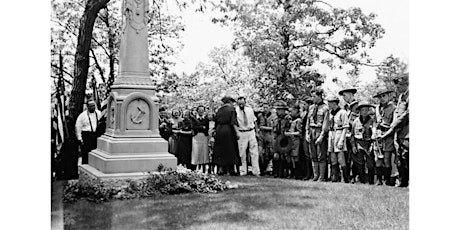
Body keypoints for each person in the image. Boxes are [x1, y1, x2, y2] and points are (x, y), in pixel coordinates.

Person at [380, 74, 409, 187]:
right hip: (399, 133)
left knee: (408, 157)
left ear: (407, 84)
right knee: (401, 157)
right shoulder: (401, 97)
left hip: (407, 132)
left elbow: (407, 114)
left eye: (399, 86)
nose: (397, 88)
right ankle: (403, 181)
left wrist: (394, 125)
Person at [373, 89, 397, 186]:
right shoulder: (377, 108)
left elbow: (394, 125)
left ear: (389, 96)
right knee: (378, 158)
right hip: (378, 134)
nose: (382, 99)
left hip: (388, 134)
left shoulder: (394, 108)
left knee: (387, 158)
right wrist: (374, 133)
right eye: (380, 97)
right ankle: (379, 180)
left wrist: (384, 136)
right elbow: (374, 122)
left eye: (384, 96)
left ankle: (387, 180)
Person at [212, 96, 241, 175]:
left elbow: (216, 122)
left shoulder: (219, 110)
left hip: (219, 130)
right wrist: (237, 132)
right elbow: (233, 122)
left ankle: (220, 169)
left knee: (220, 149)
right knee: (230, 149)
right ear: (230, 102)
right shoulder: (232, 110)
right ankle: (231, 170)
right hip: (228, 130)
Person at [306, 88, 330, 181]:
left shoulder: (325, 108)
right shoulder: (311, 107)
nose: (313, 99)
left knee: (321, 155)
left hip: (320, 131)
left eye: (314, 96)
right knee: (313, 154)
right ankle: (315, 175)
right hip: (311, 130)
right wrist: (307, 133)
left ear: (320, 96)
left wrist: (322, 136)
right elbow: (308, 120)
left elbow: (325, 122)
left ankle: (321, 176)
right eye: (312, 96)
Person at [351, 102, 377, 184]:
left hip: (369, 143)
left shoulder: (372, 121)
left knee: (370, 164)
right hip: (359, 143)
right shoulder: (355, 121)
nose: (365, 112)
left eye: (366, 110)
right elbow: (352, 135)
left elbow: (374, 133)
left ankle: (371, 180)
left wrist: (372, 145)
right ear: (359, 111)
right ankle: (362, 180)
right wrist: (353, 146)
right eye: (362, 110)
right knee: (360, 163)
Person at [326, 95, 349, 183]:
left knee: (340, 157)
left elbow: (345, 127)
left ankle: (345, 178)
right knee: (333, 157)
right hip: (331, 134)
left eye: (330, 103)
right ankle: (335, 178)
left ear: (334, 103)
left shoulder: (342, 112)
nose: (328, 104)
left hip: (339, 134)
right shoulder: (331, 113)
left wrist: (342, 140)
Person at [235, 96, 260, 177]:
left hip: (251, 131)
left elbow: (254, 121)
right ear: (237, 103)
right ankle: (243, 171)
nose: (241, 105)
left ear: (245, 103)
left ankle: (256, 171)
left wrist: (256, 132)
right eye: (239, 104)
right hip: (242, 132)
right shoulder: (235, 111)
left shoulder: (250, 110)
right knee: (242, 152)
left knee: (254, 152)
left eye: (242, 103)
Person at [339, 88, 358, 183]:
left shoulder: (357, 107)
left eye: (345, 95)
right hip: (345, 135)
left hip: (354, 135)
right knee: (346, 158)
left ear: (351, 95)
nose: (343, 97)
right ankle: (346, 178)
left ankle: (355, 177)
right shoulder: (345, 108)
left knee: (354, 158)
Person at [75, 99, 102, 164]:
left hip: (96, 135)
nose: (93, 107)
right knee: (86, 153)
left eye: (93, 106)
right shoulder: (82, 116)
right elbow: (78, 127)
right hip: (87, 136)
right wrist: (79, 138)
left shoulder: (98, 113)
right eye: (91, 106)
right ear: (87, 107)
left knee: (96, 153)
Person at [257, 103, 276, 175]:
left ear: (269, 108)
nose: (265, 109)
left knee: (269, 153)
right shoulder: (260, 116)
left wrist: (263, 128)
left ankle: (268, 168)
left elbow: (273, 128)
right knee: (260, 152)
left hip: (269, 136)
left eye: (266, 107)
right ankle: (261, 169)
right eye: (264, 107)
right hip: (261, 136)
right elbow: (257, 125)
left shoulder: (273, 116)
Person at [272, 101, 290, 178]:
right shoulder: (275, 119)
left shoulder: (287, 119)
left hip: (284, 139)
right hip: (277, 138)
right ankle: (276, 172)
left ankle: (284, 172)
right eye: (277, 109)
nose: (278, 111)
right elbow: (274, 129)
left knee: (284, 156)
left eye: (279, 109)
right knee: (276, 156)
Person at [285, 104, 303, 179]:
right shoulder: (290, 120)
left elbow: (299, 132)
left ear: (296, 110)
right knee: (288, 157)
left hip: (295, 141)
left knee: (295, 157)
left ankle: (297, 174)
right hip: (289, 141)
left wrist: (290, 133)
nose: (290, 112)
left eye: (291, 111)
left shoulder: (298, 120)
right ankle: (291, 173)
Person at [191, 105, 210, 173]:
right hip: (196, 137)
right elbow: (194, 127)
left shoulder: (206, 119)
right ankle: (194, 170)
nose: (201, 111)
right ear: (197, 111)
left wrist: (199, 127)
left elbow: (207, 128)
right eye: (199, 110)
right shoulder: (193, 119)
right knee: (195, 152)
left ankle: (204, 170)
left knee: (204, 152)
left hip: (204, 137)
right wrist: (202, 127)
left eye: (202, 110)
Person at [300, 96, 314, 180]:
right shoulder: (305, 114)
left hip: (309, 134)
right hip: (304, 135)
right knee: (306, 155)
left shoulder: (311, 114)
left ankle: (311, 174)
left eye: (305, 104)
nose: (303, 106)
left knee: (310, 155)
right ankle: (307, 173)